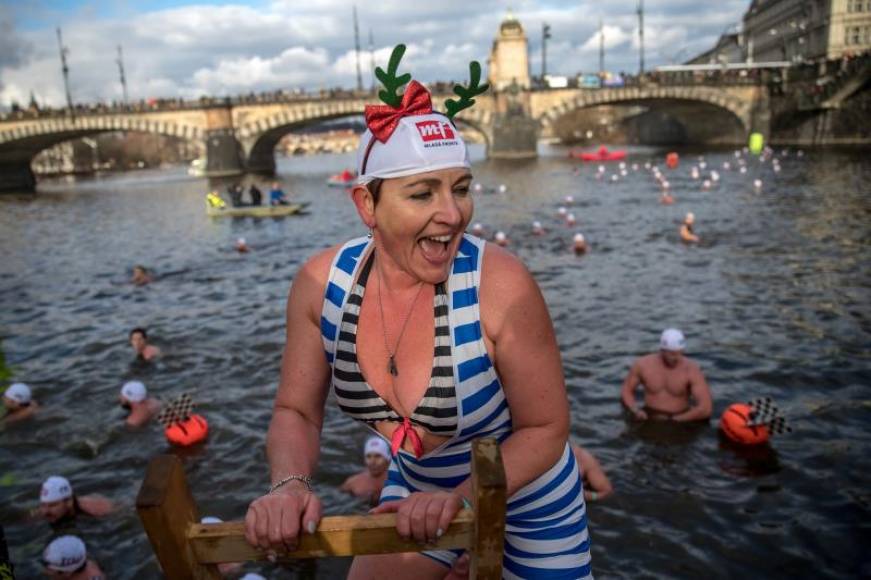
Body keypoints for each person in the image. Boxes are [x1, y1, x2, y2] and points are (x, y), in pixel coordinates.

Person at [244, 45, 593, 579]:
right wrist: (289, 485)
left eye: (460, 189)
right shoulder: (320, 286)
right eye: (421, 193)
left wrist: (464, 496)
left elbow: (546, 427)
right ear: (367, 205)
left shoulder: (500, 284)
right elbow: (296, 412)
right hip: (418, 488)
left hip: (527, 496)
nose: (452, 215)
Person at [620, 328, 713, 422]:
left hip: (679, 420)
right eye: (672, 354)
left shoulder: (691, 370)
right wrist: (635, 410)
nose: (677, 358)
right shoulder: (643, 365)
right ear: (662, 350)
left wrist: (675, 420)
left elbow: (705, 408)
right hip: (649, 417)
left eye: (680, 353)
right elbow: (626, 390)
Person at [37, 476, 114, 527]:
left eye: (52, 505)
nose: (45, 511)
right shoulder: (45, 512)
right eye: (43, 505)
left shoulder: (97, 510)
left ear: (69, 502)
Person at [341, 436, 390, 507]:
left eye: (378, 456)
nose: (372, 462)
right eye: (368, 456)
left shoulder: (399, 482)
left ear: (387, 459)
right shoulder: (352, 483)